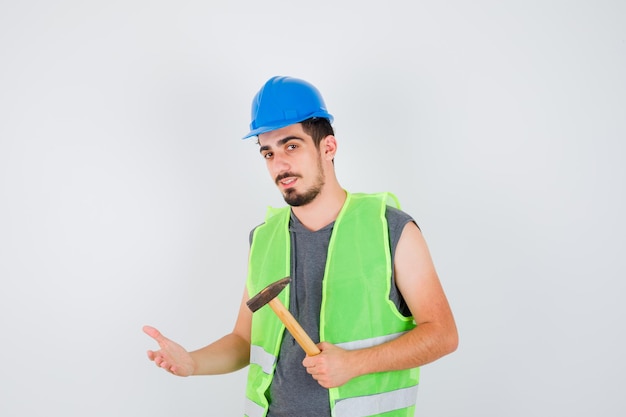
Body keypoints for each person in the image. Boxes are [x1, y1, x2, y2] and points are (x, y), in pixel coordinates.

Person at [143, 76, 458, 417]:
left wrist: (355, 363)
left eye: (291, 146)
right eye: (268, 152)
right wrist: (192, 362)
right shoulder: (264, 238)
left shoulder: (391, 228)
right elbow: (244, 341)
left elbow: (442, 335)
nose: (279, 165)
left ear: (328, 148)